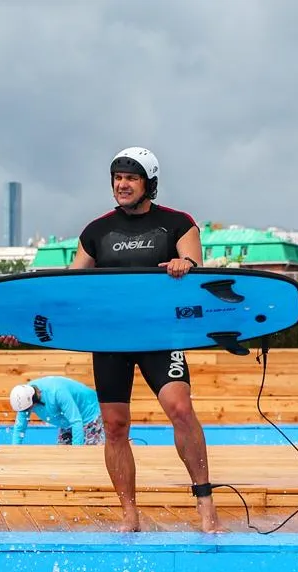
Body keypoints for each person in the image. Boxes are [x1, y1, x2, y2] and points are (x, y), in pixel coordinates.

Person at [70, 147, 219, 533]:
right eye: (117, 178)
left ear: (148, 183)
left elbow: (194, 265)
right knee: (115, 426)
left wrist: (184, 265)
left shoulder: (177, 224)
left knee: (180, 409)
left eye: (131, 178)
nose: (122, 184)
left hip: (160, 334)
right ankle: (130, 514)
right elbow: (69, 289)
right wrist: (23, 326)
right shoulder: (96, 231)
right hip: (111, 339)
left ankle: (206, 507)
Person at [10, 374, 103, 446]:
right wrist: (15, 451)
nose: (27, 412)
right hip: (68, 422)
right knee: (61, 457)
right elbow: (20, 428)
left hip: (90, 415)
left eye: (29, 409)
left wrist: (76, 452)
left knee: (86, 455)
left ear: (35, 401)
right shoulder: (24, 396)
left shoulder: (57, 392)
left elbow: (76, 421)